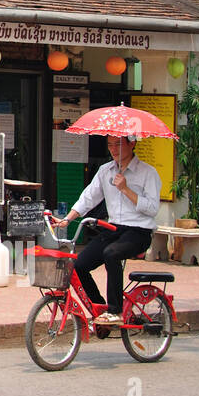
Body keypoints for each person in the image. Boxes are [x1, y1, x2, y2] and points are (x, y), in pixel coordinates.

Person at [54, 135, 160, 325]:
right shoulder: (106, 171)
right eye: (110, 145)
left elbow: (152, 209)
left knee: (111, 253)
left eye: (118, 144)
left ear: (132, 143)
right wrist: (67, 220)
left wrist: (126, 189)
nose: (113, 149)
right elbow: (89, 197)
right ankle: (100, 310)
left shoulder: (147, 172)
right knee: (78, 266)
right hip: (113, 229)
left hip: (139, 231)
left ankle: (116, 311)